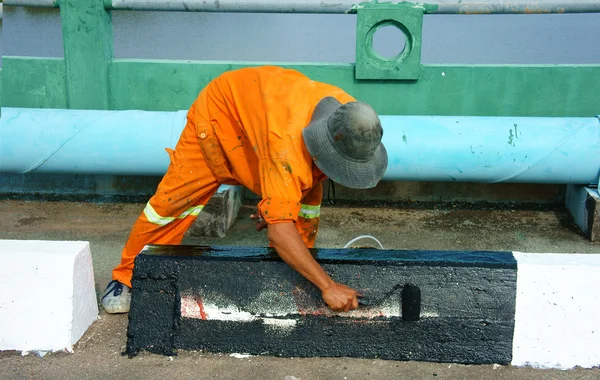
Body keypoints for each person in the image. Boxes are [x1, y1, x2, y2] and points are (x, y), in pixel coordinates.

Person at [101, 66, 388, 314]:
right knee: (170, 207)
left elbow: (284, 171)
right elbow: (279, 207)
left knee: (304, 211)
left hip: (268, 130)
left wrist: (278, 208)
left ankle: (295, 273)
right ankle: (127, 277)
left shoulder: (351, 117)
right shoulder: (285, 153)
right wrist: (327, 285)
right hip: (220, 118)